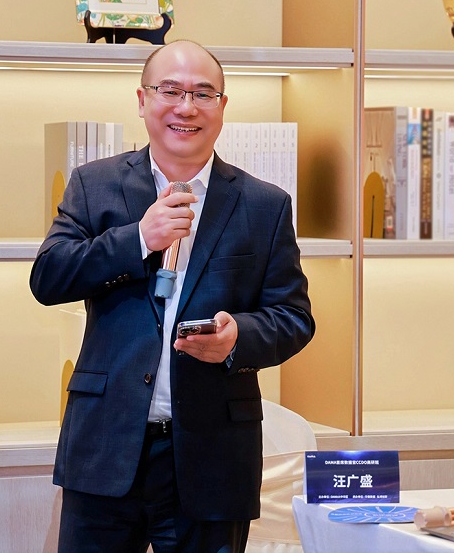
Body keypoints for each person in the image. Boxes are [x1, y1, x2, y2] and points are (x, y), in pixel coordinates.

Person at [30, 39, 315, 553]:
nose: (186, 107)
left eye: (203, 94)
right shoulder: (94, 185)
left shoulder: (264, 204)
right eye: (171, 91)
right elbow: (49, 278)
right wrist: (139, 238)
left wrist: (237, 338)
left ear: (222, 106)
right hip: (106, 447)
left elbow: (293, 317)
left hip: (212, 458)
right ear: (142, 100)